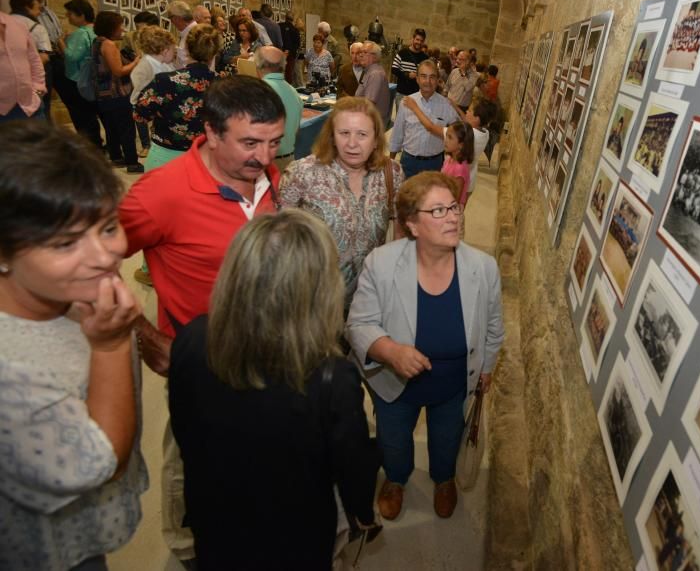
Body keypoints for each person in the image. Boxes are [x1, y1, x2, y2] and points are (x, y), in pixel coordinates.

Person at [120, 76, 285, 566]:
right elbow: (85, 267)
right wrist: (146, 333)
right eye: (250, 142)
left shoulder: (267, 178)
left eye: (274, 142)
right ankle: (186, 548)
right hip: (198, 362)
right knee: (188, 461)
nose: (265, 157)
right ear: (211, 132)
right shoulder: (161, 193)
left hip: (262, 355)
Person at [168, 210, 380, 570]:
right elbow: (352, 466)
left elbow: (185, 432)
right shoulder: (332, 376)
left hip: (216, 517)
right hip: (295, 533)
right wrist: (362, 512)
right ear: (320, 288)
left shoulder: (192, 338)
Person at [0, 120, 147, 571]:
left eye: (107, 228)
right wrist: (110, 347)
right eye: (65, 244)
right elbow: (100, 463)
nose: (105, 257)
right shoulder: (11, 373)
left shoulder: (64, 291)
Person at [347, 172, 504, 521]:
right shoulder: (382, 263)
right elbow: (358, 324)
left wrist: (487, 368)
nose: (452, 216)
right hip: (395, 382)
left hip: (452, 383)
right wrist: (390, 351)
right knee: (394, 438)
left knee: (448, 435)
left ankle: (443, 478)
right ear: (412, 225)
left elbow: (494, 327)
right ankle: (396, 479)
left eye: (452, 207)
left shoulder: (483, 267)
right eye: (437, 211)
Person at [280, 96, 403, 314]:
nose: (352, 143)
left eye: (362, 135)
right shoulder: (302, 173)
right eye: (344, 133)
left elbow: (399, 236)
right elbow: (279, 240)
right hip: (313, 304)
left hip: (369, 301)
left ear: (376, 139)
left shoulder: (391, 173)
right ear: (332, 136)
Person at [134, 23, 222, 170]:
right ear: (215, 53)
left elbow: (140, 115)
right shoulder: (224, 85)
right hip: (206, 159)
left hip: (165, 158)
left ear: (186, 48)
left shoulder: (164, 80)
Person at [93, 10, 143, 173]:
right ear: (111, 27)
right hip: (117, 94)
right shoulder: (109, 45)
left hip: (103, 94)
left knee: (111, 128)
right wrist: (136, 62)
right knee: (126, 129)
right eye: (120, 26)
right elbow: (118, 71)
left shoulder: (96, 42)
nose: (122, 29)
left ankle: (116, 157)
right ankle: (132, 162)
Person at [392, 59, 460, 178]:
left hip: (434, 163)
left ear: (438, 80)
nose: (427, 81)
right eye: (423, 76)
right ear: (417, 79)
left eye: (432, 77)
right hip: (409, 161)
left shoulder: (445, 105)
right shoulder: (407, 102)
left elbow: (459, 132)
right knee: (406, 195)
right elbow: (397, 134)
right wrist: (391, 161)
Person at [16, 0, 63, 119]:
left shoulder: (49, 12)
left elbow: (58, 35)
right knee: (41, 104)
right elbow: (43, 57)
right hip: (38, 64)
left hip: (55, 58)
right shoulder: (30, 24)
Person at [129, 25, 178, 157]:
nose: (175, 53)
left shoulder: (164, 63)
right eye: (174, 50)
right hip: (151, 107)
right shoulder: (146, 64)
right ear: (164, 50)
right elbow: (138, 87)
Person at [62, 0, 104, 147]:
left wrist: (61, 44)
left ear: (81, 15)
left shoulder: (80, 33)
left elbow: (72, 56)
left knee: (82, 116)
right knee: (92, 114)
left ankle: (91, 145)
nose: (68, 17)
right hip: (93, 78)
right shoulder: (95, 30)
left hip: (77, 79)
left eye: (70, 14)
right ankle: (97, 143)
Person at [255, 45, 301, 171]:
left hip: (266, 162)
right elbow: (296, 131)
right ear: (283, 66)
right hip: (289, 161)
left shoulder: (257, 91)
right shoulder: (294, 92)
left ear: (259, 66)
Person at [0, 8, 46, 123]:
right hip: (2, 111)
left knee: (42, 140)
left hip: (30, 104)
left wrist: (38, 88)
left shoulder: (17, 24)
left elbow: (34, 59)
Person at [9, 0, 52, 66]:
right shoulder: (38, 28)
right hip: (26, 72)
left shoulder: (3, 22)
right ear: (27, 8)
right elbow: (44, 57)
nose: (39, 12)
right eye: (37, 8)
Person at [391, 28, 428, 112]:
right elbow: (394, 69)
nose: (419, 42)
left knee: (412, 120)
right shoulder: (402, 53)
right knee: (400, 119)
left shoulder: (425, 58)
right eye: (417, 39)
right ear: (413, 39)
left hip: (416, 96)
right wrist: (407, 75)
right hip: (401, 93)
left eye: (421, 40)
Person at [356, 41, 391, 126]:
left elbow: (369, 104)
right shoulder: (370, 71)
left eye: (365, 52)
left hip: (371, 123)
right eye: (361, 52)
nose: (361, 55)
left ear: (375, 57)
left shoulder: (375, 74)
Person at [441, 120, 474, 206]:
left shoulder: (460, 169)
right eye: (446, 136)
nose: (445, 140)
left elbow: (454, 200)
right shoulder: (449, 159)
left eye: (450, 137)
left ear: (461, 145)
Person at [165, 1, 196, 68]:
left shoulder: (195, 33)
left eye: (170, 18)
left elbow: (189, 64)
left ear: (176, 18)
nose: (171, 21)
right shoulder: (187, 32)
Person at [279, 11, 300, 85]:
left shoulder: (279, 26)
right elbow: (297, 44)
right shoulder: (295, 30)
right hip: (290, 56)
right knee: (289, 74)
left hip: (279, 53)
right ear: (293, 19)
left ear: (285, 17)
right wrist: (289, 52)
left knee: (279, 72)